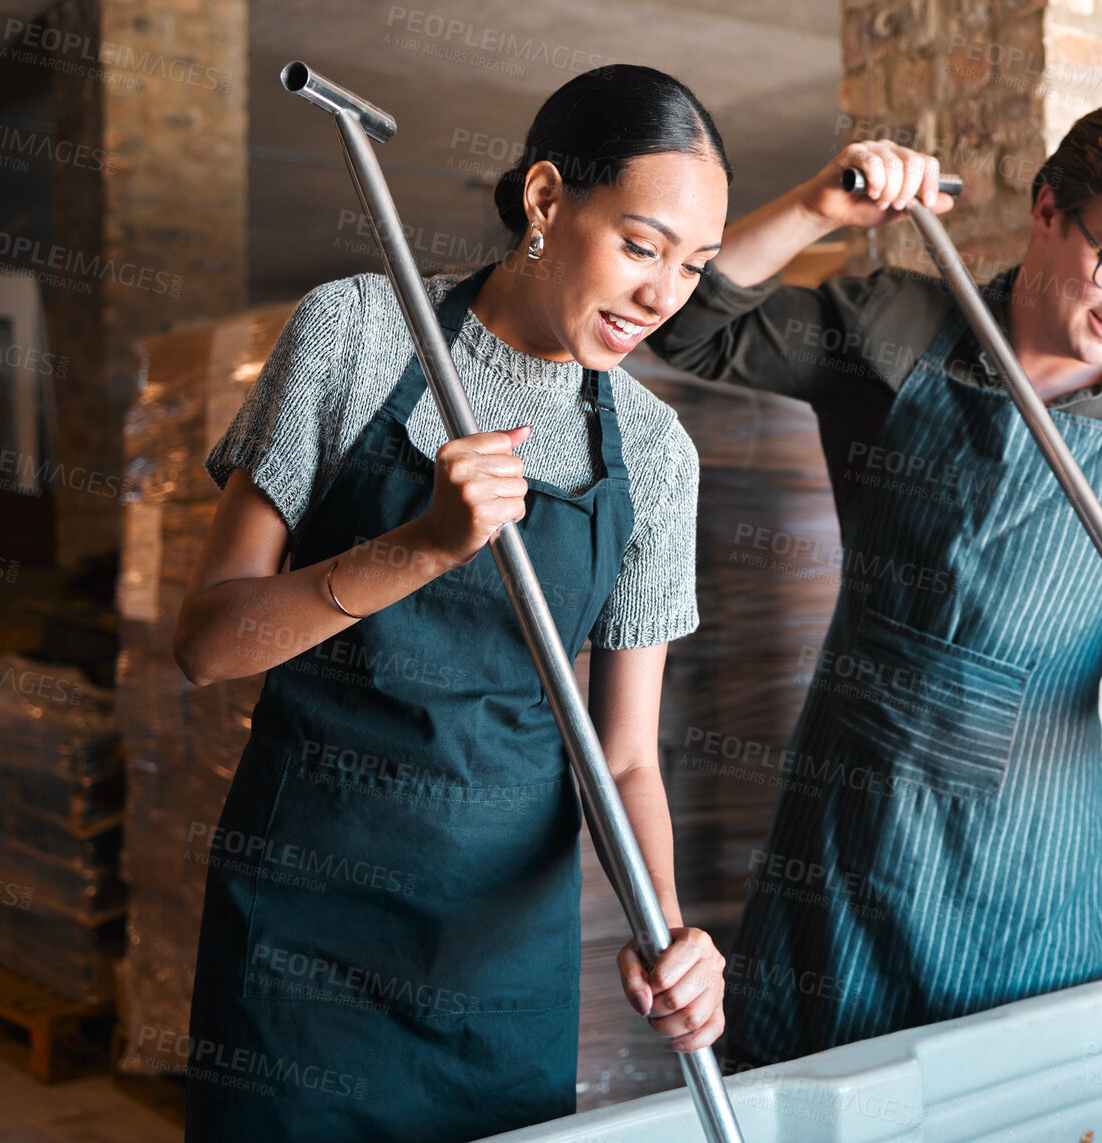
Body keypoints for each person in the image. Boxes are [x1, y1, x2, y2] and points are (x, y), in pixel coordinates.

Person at [650, 101, 1102, 1067]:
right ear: (1048, 210)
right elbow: (690, 330)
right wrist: (815, 206)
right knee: (807, 1092)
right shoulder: (899, 323)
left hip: (1027, 843)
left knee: (1010, 1098)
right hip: (848, 815)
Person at [173, 64, 730, 1142]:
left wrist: (665, 927)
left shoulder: (655, 453)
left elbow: (620, 760)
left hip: (496, 957)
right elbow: (207, 644)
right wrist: (423, 546)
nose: (665, 294)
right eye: (641, 244)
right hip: (303, 925)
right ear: (544, 200)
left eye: (695, 267)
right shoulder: (355, 334)